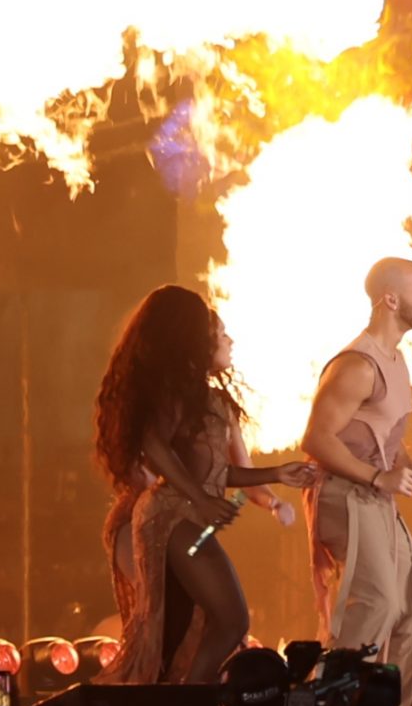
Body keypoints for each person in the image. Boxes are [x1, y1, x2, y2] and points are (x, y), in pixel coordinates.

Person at [95, 286, 319, 685]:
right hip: (168, 515)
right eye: (219, 334)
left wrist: (275, 474)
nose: (230, 341)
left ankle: (186, 699)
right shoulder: (175, 392)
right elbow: (152, 444)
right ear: (193, 340)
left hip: (186, 514)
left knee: (202, 624)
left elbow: (219, 474)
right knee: (229, 619)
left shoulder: (212, 401)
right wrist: (199, 498)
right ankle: (187, 705)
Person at [299, 257, 412, 706]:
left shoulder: (398, 361)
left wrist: (410, 469)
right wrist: (377, 477)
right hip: (345, 496)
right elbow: (317, 440)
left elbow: (384, 440)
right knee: (376, 605)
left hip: (375, 498)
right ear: (391, 299)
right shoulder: (357, 366)